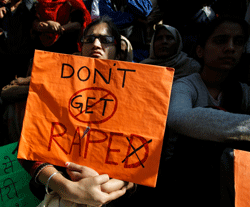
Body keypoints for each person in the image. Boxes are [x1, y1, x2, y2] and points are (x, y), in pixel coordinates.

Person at [19, 16, 134, 206]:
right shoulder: (54, 87)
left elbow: (143, 164)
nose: (96, 44)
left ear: (118, 52)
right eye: (89, 39)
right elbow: (27, 151)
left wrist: (114, 183)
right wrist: (66, 187)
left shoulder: (135, 96)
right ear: (80, 49)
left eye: (105, 40)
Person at [165, 16, 250, 207]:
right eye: (220, 41)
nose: (230, 48)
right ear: (200, 50)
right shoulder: (185, 86)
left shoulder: (242, 92)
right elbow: (178, 118)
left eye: (238, 42)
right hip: (184, 183)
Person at [0, 0, 37, 89]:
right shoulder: (3, 7)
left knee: (21, 87)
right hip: (5, 54)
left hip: (23, 55)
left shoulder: (29, 5)